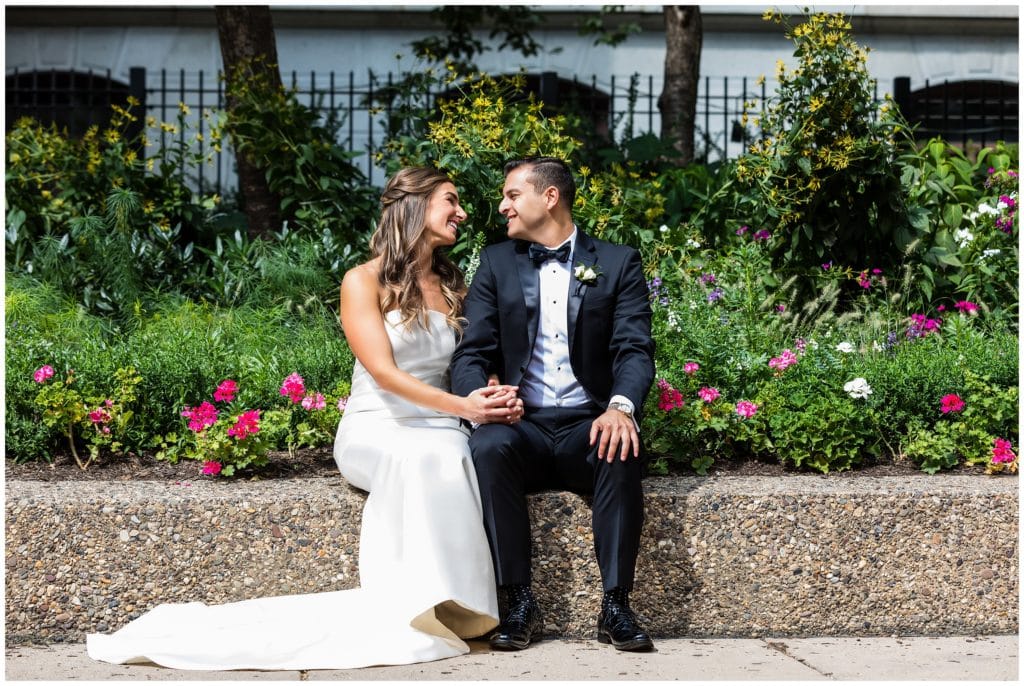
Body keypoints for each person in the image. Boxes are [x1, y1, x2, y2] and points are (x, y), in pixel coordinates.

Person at [86, 167, 524, 670]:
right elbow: (382, 373)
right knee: (424, 454)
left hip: (442, 422)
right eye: (450, 200)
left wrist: (485, 393)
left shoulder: (453, 286)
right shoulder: (362, 281)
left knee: (448, 451)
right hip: (378, 425)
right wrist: (464, 408)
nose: (462, 212)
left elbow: (468, 361)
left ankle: (462, 609)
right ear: (415, 206)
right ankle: (415, 606)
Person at [450, 157, 656, 653]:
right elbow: (472, 350)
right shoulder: (496, 262)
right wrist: (480, 398)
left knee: (621, 445)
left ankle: (616, 606)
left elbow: (634, 348)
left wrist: (621, 407)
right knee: (489, 447)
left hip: (590, 423)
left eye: (512, 195)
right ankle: (519, 602)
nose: (502, 206)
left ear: (549, 198)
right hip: (523, 425)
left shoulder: (617, 260)